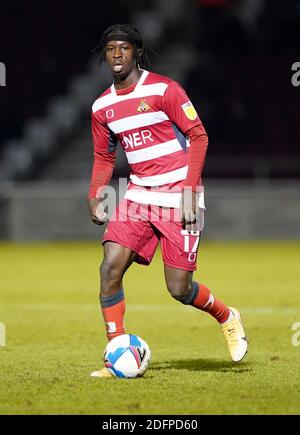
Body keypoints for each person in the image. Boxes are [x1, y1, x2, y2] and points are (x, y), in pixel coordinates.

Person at [88, 24, 248, 377]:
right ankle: (114, 351)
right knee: (109, 267)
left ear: (136, 52)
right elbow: (103, 156)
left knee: (179, 288)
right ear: (104, 55)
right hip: (139, 194)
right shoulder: (102, 107)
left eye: (124, 48)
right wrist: (96, 190)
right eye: (111, 48)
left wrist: (190, 192)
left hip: (179, 194)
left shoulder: (165, 89)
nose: (117, 54)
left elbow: (199, 136)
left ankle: (226, 315)